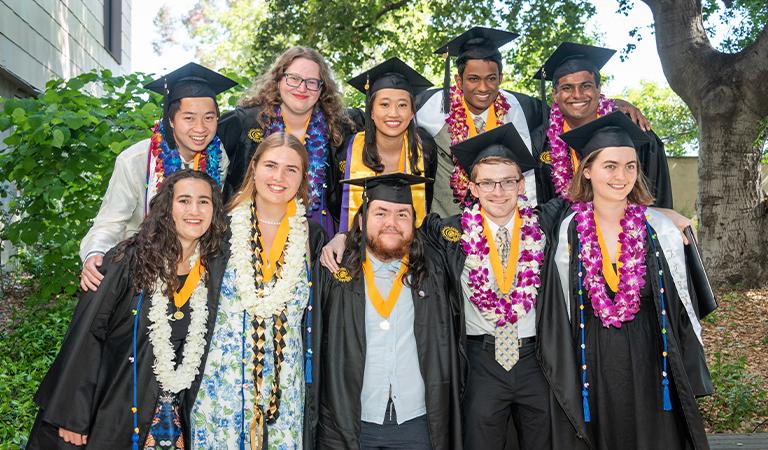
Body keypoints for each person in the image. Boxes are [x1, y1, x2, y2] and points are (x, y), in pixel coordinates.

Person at [27, 169, 230, 449]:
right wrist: (71, 414)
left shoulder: (211, 268)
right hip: (113, 399)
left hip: (170, 417)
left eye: (204, 201)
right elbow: (87, 332)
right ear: (166, 208)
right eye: (184, 200)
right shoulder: (129, 261)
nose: (194, 210)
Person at [418, 123, 589, 450]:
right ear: (473, 188)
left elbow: (597, 199)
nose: (498, 191)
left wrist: (665, 214)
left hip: (536, 359)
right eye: (488, 182)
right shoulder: (448, 234)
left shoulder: (544, 223)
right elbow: (397, 237)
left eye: (508, 181)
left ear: (521, 183)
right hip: (481, 362)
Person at [547, 112, 711, 449]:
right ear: (587, 171)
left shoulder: (660, 229)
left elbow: (684, 305)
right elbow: (561, 305)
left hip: (652, 355)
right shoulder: (568, 231)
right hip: (590, 358)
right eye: (610, 166)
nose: (622, 176)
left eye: (630, 166)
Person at [189, 132, 327, 449]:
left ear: (303, 177)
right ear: (254, 167)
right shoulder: (218, 228)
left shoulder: (312, 237)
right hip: (221, 387)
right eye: (271, 165)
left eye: (291, 169)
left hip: (284, 389)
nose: (279, 177)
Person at [416, 28, 649, 214]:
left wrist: (614, 103)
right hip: (448, 225)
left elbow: (572, 106)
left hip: (509, 222)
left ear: (501, 78)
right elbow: (392, 109)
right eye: (473, 79)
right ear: (458, 80)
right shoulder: (429, 106)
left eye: (491, 79)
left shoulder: (523, 108)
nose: (483, 87)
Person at [314, 173, 464, 450]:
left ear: (414, 224)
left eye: (402, 215)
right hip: (351, 425)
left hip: (417, 425)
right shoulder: (334, 272)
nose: (391, 223)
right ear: (361, 221)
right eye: (380, 213)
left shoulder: (434, 272)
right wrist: (341, 236)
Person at [80, 63, 237, 292]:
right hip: (141, 270)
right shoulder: (135, 160)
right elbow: (110, 222)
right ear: (171, 120)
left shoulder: (217, 157)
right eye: (189, 118)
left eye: (209, 118)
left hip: (194, 271)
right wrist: (95, 253)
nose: (201, 128)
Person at [217, 46, 361, 234]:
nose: (302, 88)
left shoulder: (340, 129)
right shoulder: (245, 123)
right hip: (252, 233)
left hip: (318, 236)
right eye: (293, 79)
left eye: (312, 82)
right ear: (278, 80)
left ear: (321, 89)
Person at [532, 42, 673, 207]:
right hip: (565, 231)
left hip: (629, 230)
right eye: (567, 88)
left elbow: (658, 198)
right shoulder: (541, 143)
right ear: (555, 95)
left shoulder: (634, 132)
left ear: (599, 89)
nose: (577, 95)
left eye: (586, 86)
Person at [329, 57, 437, 233]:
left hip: (412, 246)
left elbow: (427, 199)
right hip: (357, 245)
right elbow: (336, 203)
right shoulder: (347, 149)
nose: (393, 113)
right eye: (384, 104)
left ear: (412, 113)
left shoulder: (425, 148)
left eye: (402, 105)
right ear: (371, 111)